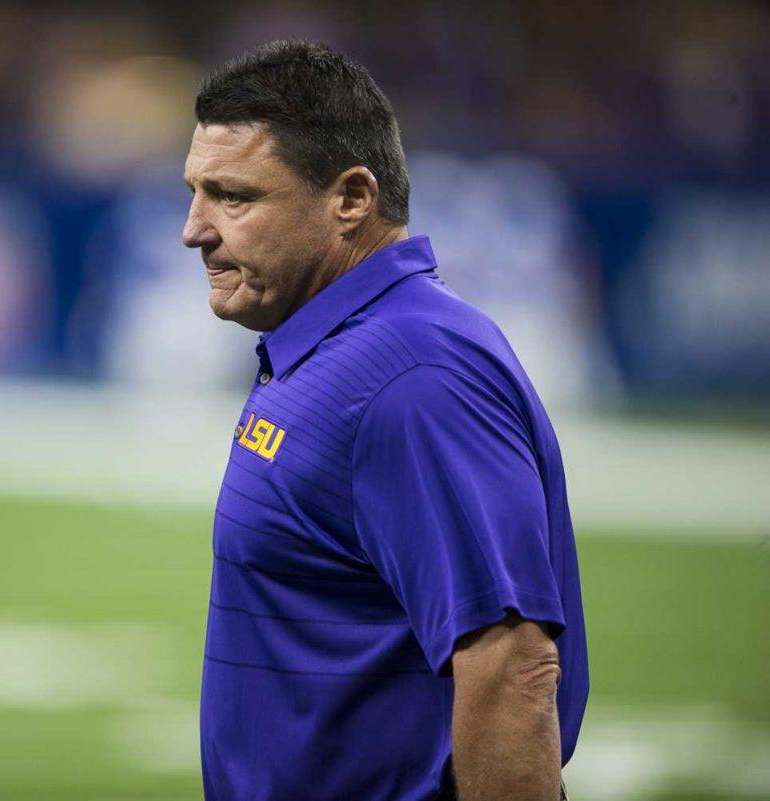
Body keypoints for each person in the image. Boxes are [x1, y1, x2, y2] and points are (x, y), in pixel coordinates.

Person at [182, 41, 587, 801]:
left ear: (352, 198)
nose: (194, 229)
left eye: (233, 196)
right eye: (196, 192)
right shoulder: (339, 348)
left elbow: (510, 670)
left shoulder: (413, 377)